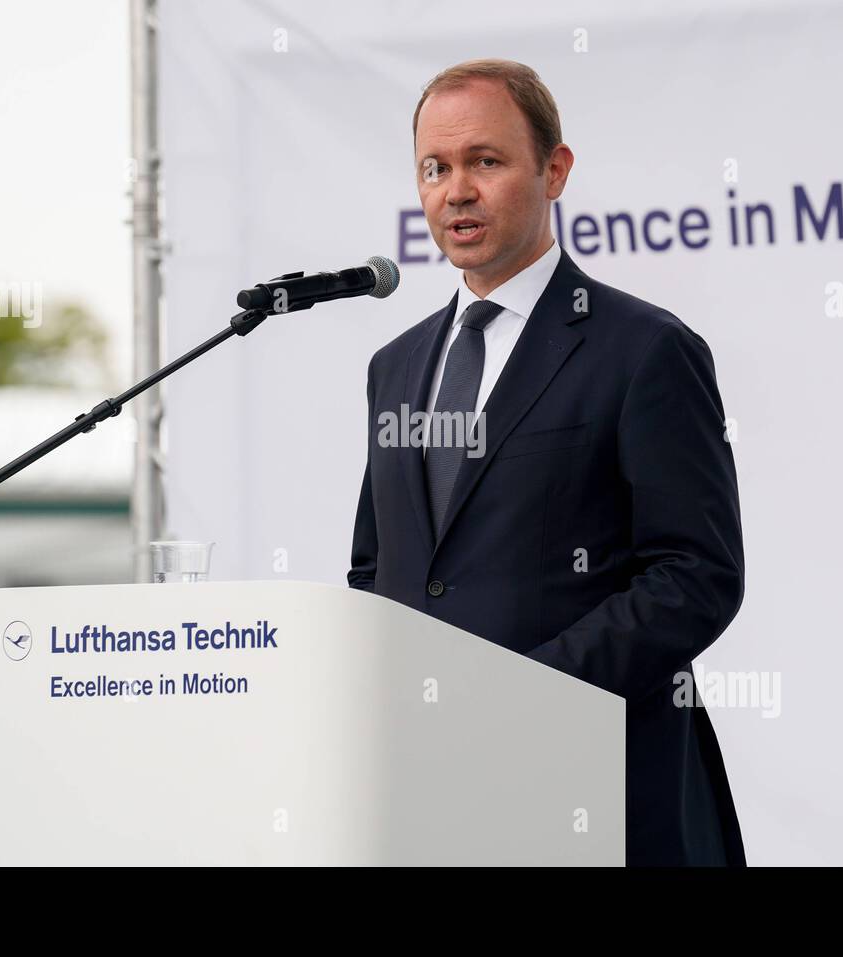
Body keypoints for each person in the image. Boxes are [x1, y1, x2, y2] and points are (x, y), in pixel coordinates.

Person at [348, 58, 746, 866]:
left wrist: (528, 694)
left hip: (598, 793)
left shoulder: (644, 350)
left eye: (485, 162)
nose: (456, 190)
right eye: (436, 167)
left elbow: (696, 574)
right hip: (436, 803)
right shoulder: (395, 365)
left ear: (554, 170)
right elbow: (376, 570)